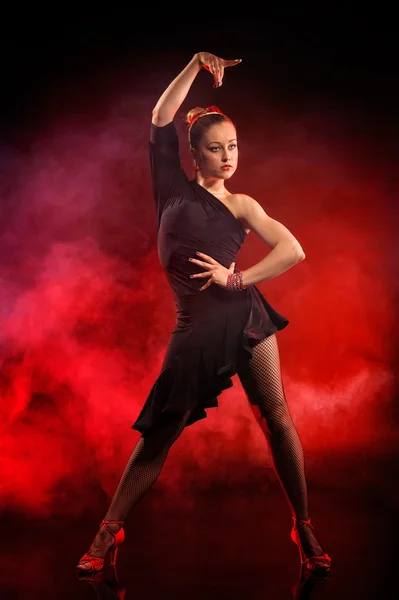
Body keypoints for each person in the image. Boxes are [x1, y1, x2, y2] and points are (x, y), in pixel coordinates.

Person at [76, 51, 331, 579]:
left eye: (233, 146)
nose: (227, 156)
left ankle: (303, 528)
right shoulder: (170, 191)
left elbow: (293, 249)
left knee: (276, 419)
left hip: (247, 322)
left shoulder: (242, 205)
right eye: (215, 149)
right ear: (193, 155)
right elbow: (159, 117)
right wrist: (194, 64)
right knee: (159, 434)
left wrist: (238, 278)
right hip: (195, 331)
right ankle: (108, 532)